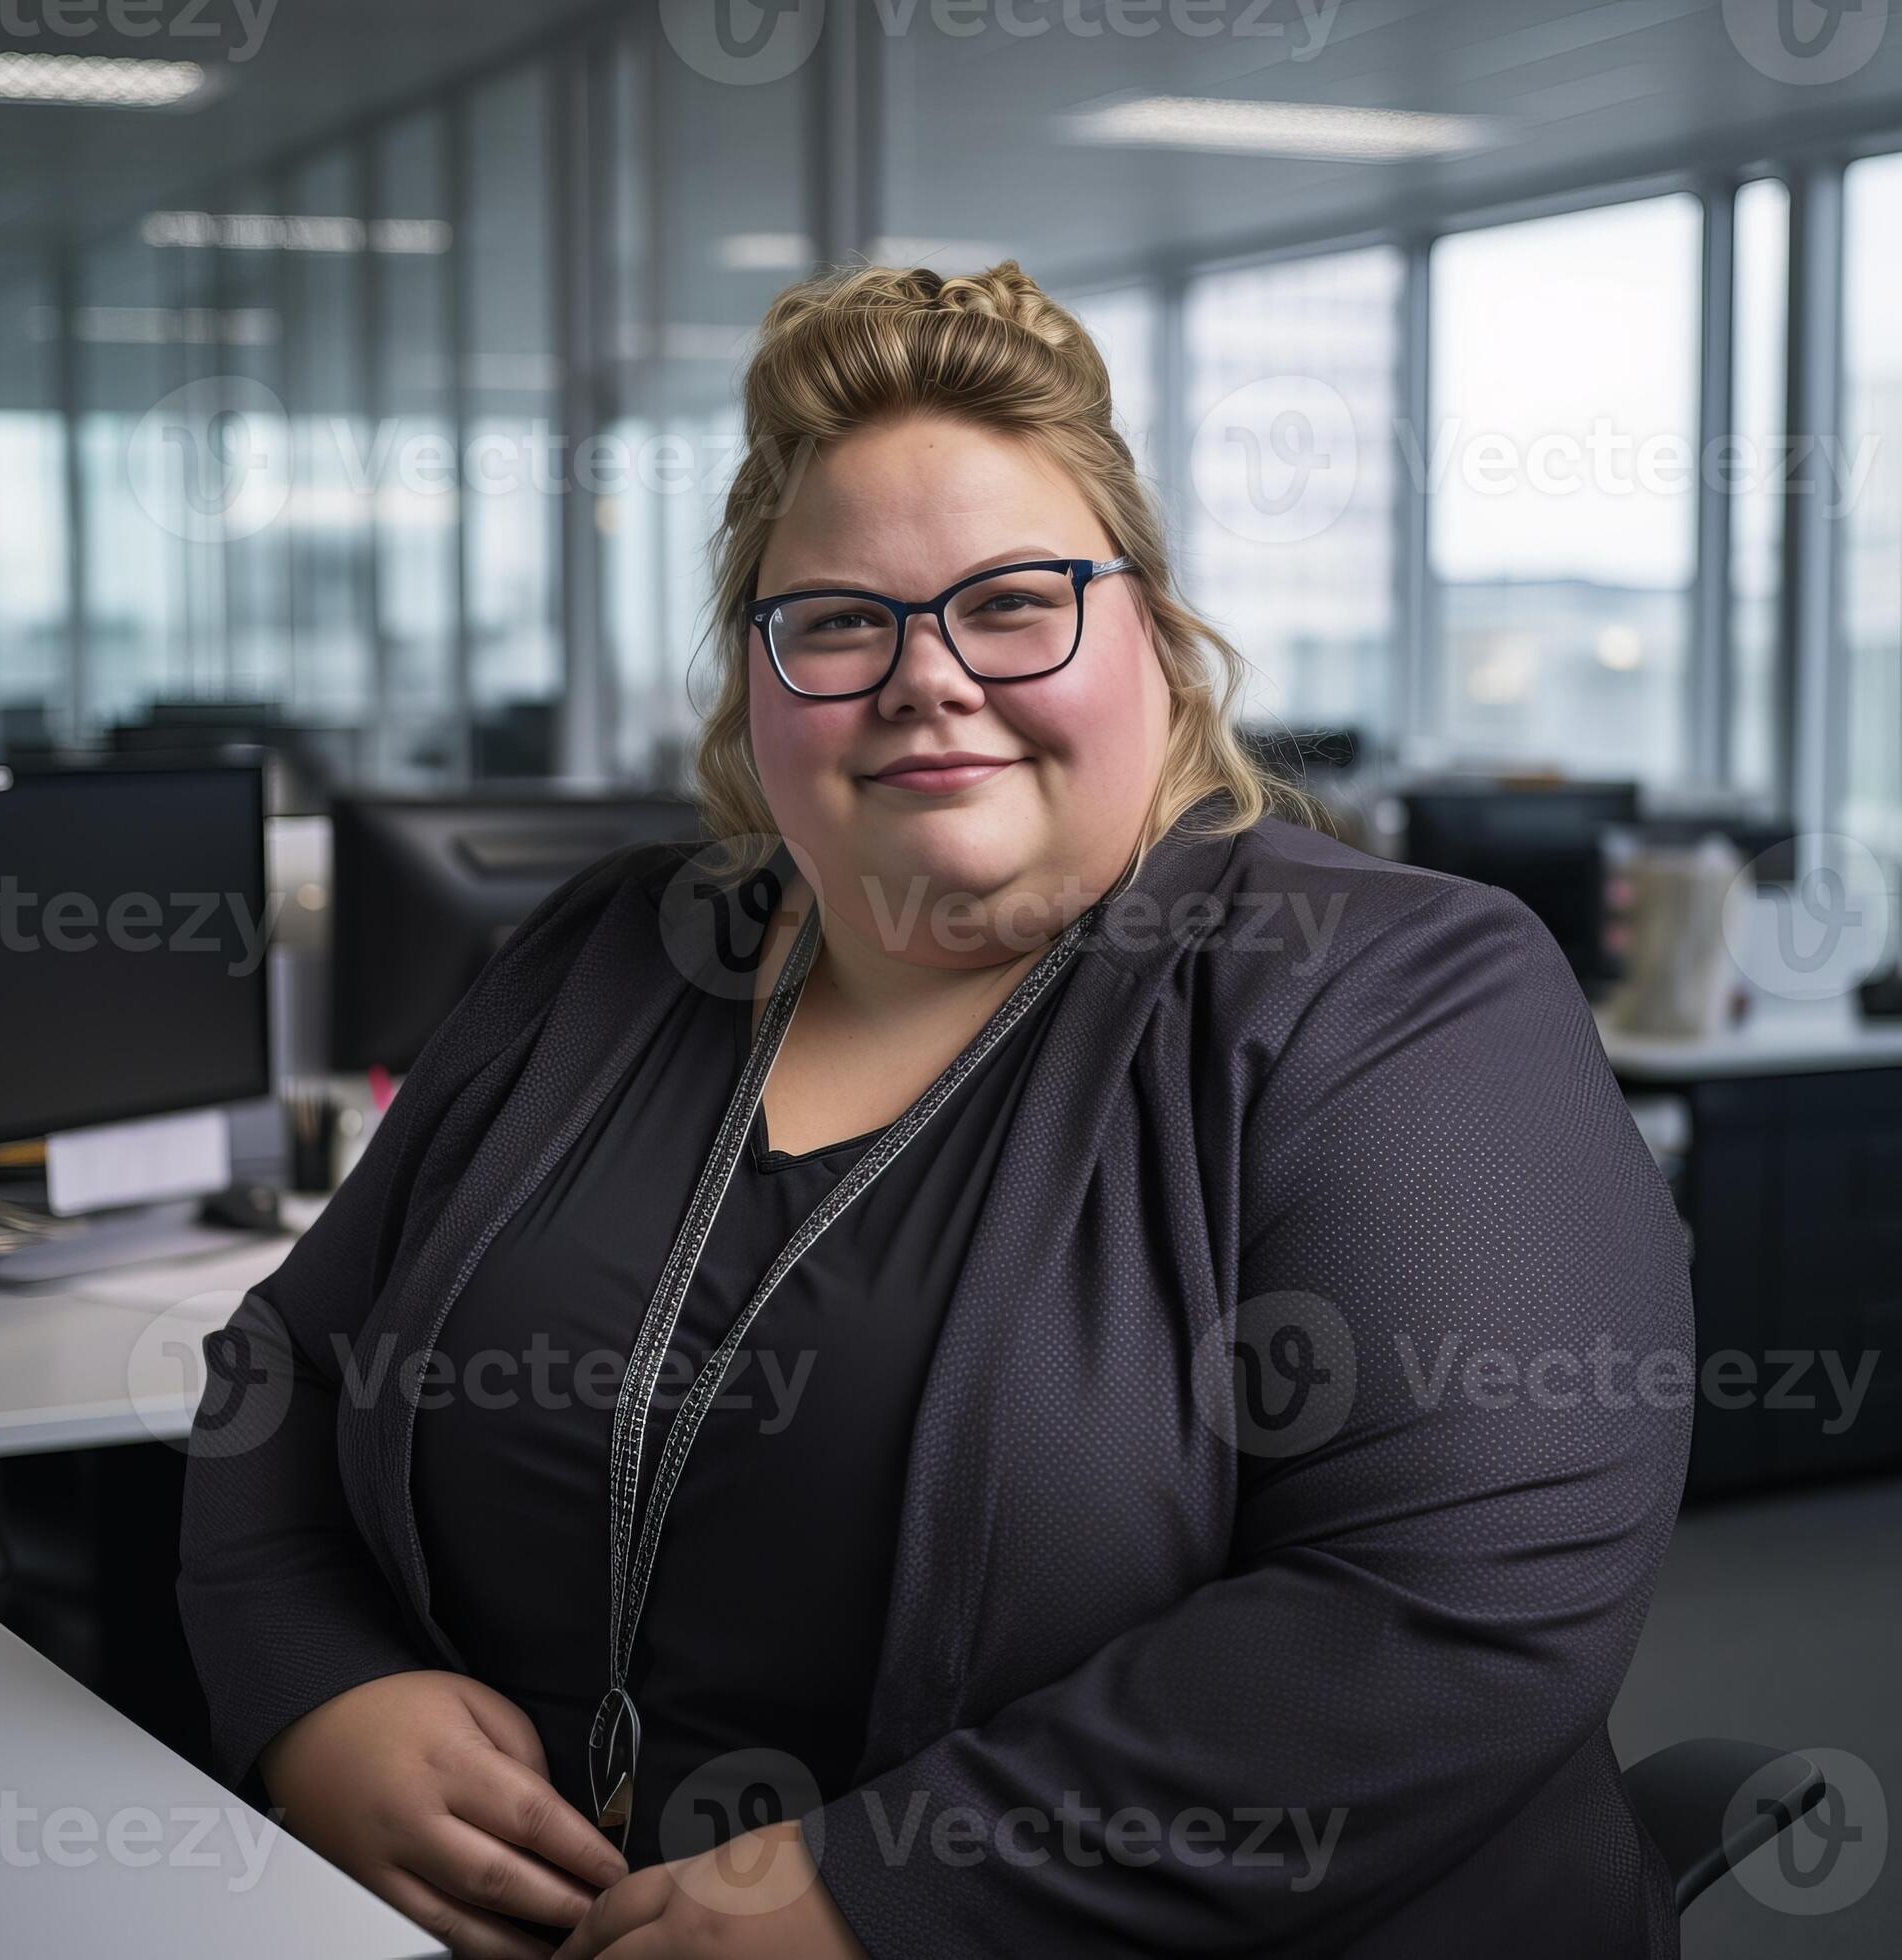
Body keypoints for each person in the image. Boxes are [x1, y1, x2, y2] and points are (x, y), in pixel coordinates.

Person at [177, 261, 1694, 1960]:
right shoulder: (616, 957)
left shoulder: (1387, 993)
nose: (924, 678)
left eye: (1013, 602)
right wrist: (319, 1688)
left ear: (1157, 643)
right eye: (837, 620)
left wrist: (877, 1900)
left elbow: (1448, 1615)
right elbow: (286, 1374)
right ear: (758, 685)